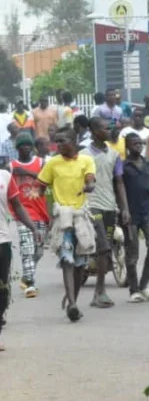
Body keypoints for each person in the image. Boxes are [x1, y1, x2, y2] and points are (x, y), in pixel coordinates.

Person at [38, 127, 97, 322]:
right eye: (57, 142)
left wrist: (88, 187)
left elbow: (90, 180)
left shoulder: (86, 160)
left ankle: (73, 301)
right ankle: (72, 304)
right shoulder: (52, 164)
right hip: (62, 218)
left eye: (62, 141)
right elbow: (41, 188)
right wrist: (44, 213)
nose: (59, 145)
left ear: (73, 140)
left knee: (80, 264)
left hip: (80, 217)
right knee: (67, 260)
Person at [85, 117, 131, 308]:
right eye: (105, 128)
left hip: (109, 207)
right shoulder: (84, 154)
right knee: (104, 247)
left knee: (106, 248)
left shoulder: (114, 155)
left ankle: (98, 291)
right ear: (95, 131)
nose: (110, 130)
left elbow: (119, 183)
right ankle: (99, 292)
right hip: (91, 206)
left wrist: (125, 208)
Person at [0, 161, 42, 349]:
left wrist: (32, 227)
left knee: (2, 290)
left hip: (2, 241)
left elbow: (17, 206)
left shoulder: (5, 177)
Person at [121, 132, 149, 303]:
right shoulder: (123, 166)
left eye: (140, 142)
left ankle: (144, 284)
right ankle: (134, 289)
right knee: (132, 253)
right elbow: (119, 190)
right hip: (130, 214)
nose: (138, 145)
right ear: (127, 146)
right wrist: (122, 210)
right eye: (134, 143)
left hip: (147, 212)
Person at [10, 132, 48, 297]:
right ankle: (30, 285)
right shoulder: (11, 166)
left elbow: (47, 182)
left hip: (40, 211)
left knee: (38, 251)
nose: (26, 148)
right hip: (22, 213)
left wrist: (26, 172)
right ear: (18, 148)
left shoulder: (41, 163)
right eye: (22, 145)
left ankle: (26, 276)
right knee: (27, 247)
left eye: (28, 145)